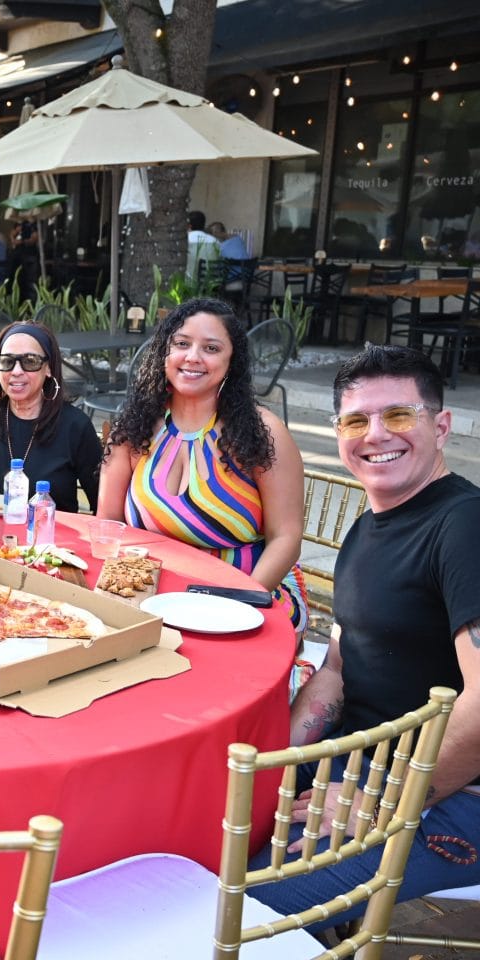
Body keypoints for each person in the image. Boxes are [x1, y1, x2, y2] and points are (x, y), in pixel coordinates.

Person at [251, 344, 480, 926]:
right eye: (357, 420)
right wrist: (282, 756)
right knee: (202, 825)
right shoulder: (367, 527)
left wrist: (377, 800)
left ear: (442, 425)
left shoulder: (464, 527)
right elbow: (335, 669)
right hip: (359, 761)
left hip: (452, 796)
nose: (376, 435)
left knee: (245, 914)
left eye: (398, 415)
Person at [97, 297, 308, 632]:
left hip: (252, 597)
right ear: (164, 352)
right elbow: (108, 524)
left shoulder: (261, 432)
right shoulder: (134, 428)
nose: (193, 357)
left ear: (231, 362)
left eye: (211, 348)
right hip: (153, 599)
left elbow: (286, 537)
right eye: (182, 344)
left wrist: (237, 603)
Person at [0, 321, 101, 513]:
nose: (16, 371)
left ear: (49, 368)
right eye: (7, 361)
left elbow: (102, 509)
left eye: (30, 361)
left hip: (52, 541)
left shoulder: (76, 426)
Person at [186, 210, 221, 280]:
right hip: (211, 284)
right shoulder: (215, 241)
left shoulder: (186, 240)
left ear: (189, 225)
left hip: (190, 284)